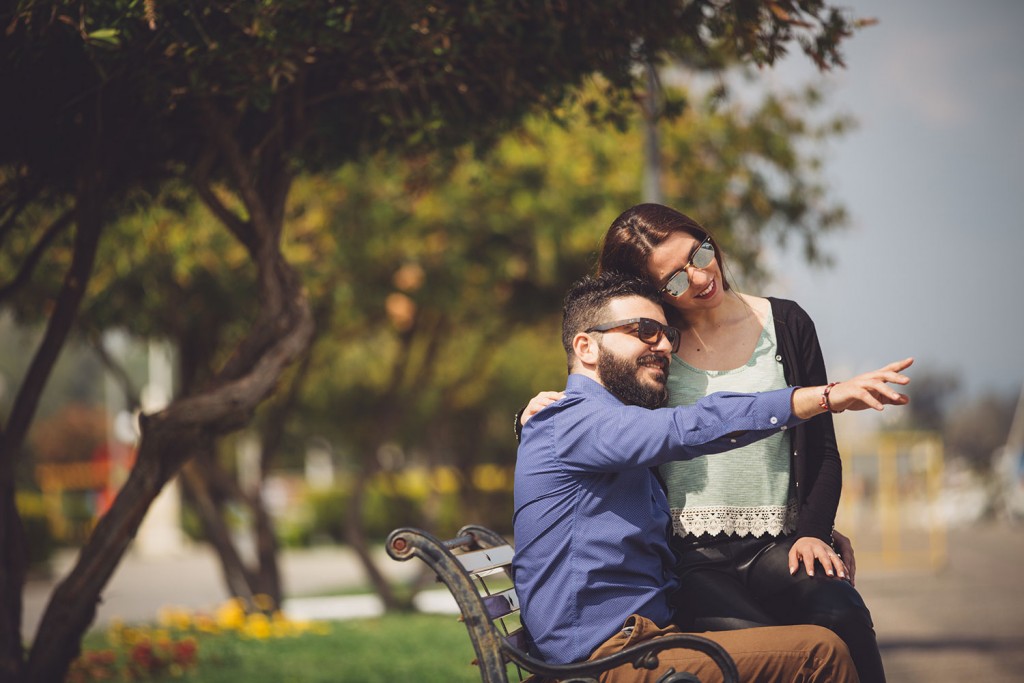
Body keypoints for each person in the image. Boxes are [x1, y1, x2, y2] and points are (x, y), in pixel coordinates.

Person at [523, 203, 886, 681]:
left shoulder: (779, 325)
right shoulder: (643, 371)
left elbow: (820, 450)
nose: (698, 277)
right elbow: (629, 421)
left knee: (839, 616)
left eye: (701, 253)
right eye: (672, 280)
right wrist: (815, 397)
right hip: (688, 564)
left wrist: (815, 527)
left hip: (773, 544)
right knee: (804, 652)